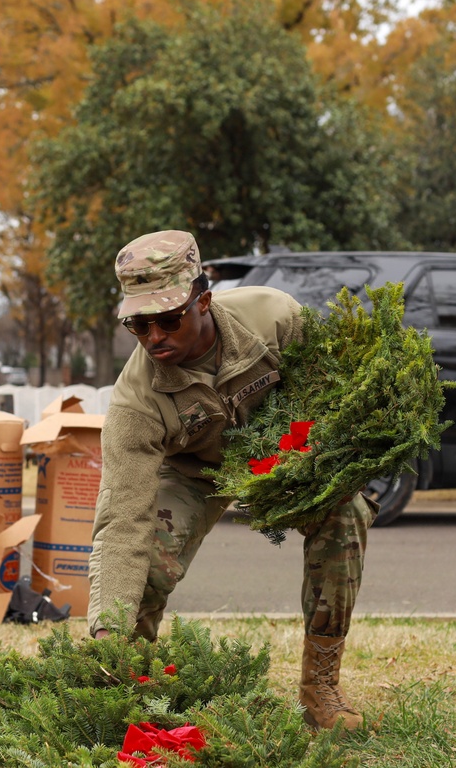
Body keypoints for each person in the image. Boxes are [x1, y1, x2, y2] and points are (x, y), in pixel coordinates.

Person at [87, 229, 377, 731]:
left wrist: (306, 458)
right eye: (138, 324)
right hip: (192, 473)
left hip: (282, 453)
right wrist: (106, 632)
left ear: (204, 300)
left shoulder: (274, 317)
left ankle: (320, 688)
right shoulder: (135, 402)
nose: (154, 337)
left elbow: (330, 396)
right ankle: (124, 686)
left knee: (345, 512)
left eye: (168, 319)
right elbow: (120, 524)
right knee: (147, 565)